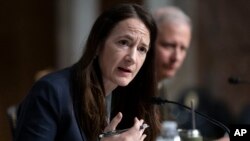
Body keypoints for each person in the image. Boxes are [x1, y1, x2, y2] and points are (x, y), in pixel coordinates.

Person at [14, 3, 160, 141]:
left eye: (142, 49)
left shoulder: (132, 98)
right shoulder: (51, 92)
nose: (132, 58)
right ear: (97, 44)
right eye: (123, 42)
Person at [153, 6, 230, 141]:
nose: (176, 57)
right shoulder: (133, 88)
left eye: (183, 48)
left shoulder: (159, 87)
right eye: (168, 45)